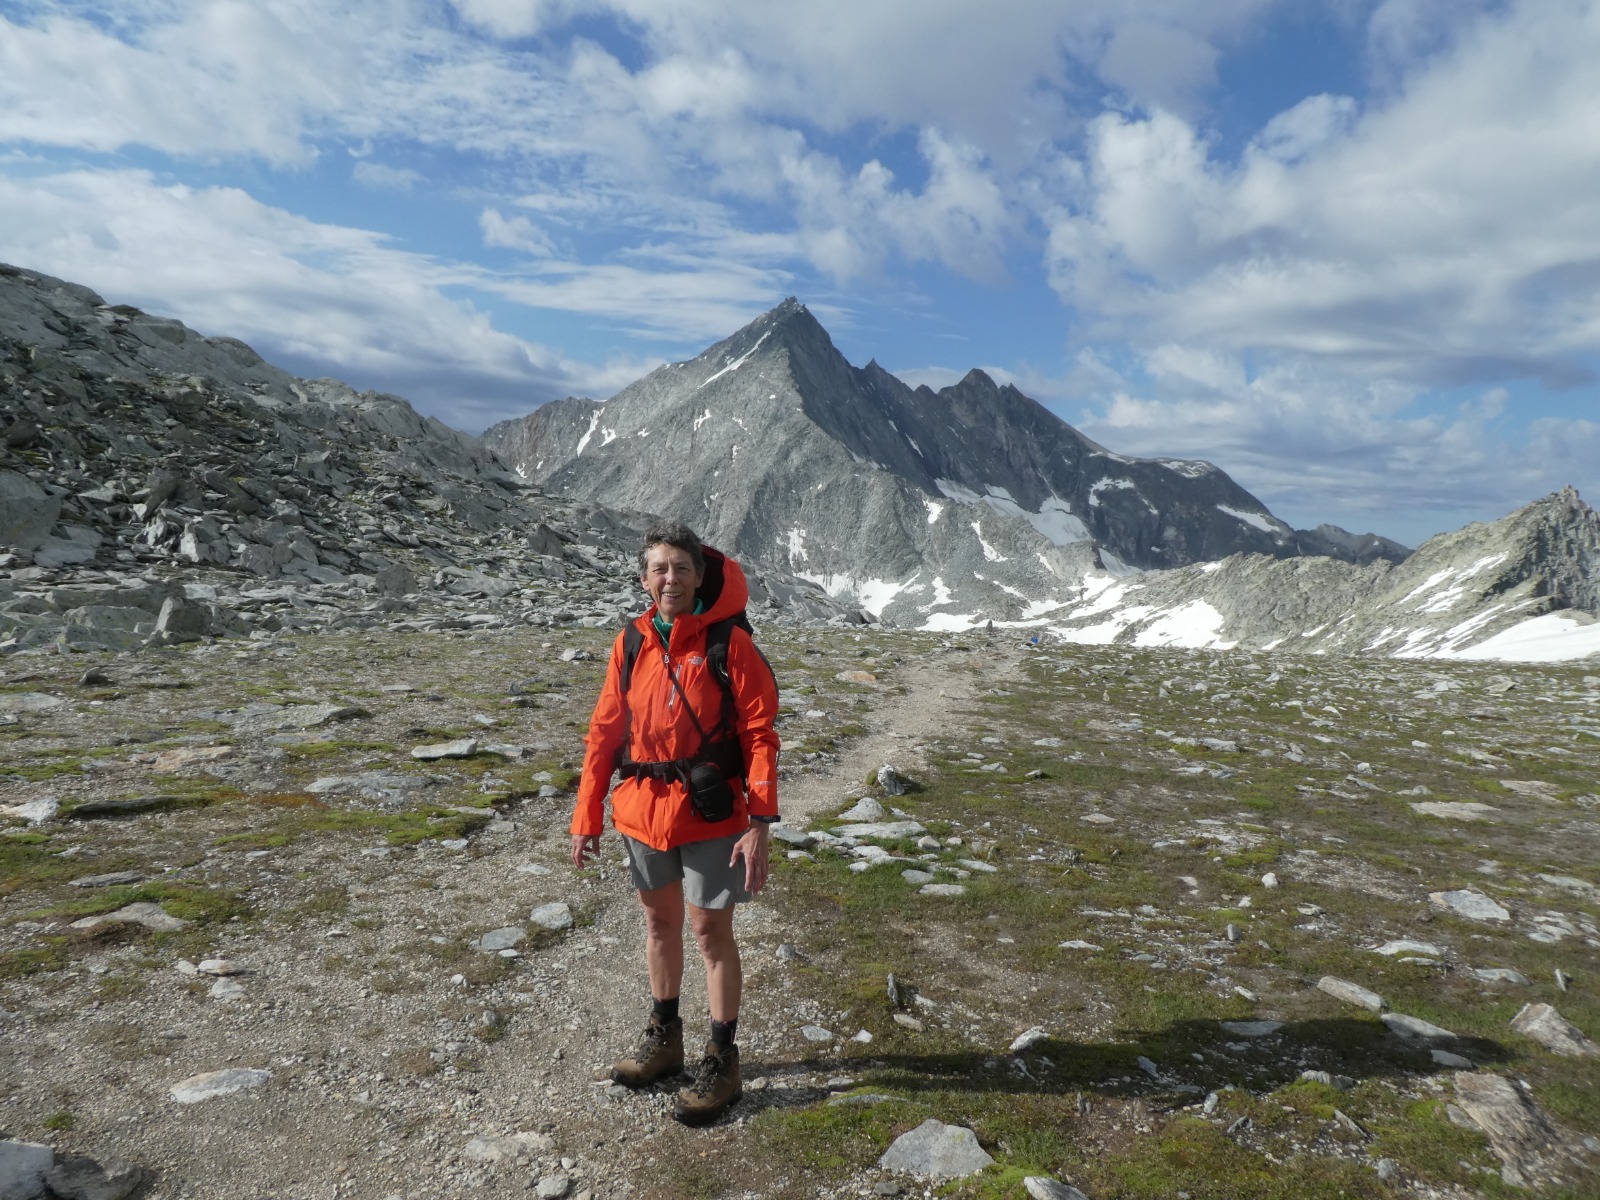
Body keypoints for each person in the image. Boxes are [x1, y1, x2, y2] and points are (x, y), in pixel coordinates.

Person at [569, 521, 779, 1126]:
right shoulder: (630, 642)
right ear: (645, 579)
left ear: (699, 576)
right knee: (659, 926)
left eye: (681, 568)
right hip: (641, 812)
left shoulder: (728, 643)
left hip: (712, 814)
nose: (670, 579)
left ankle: (722, 1057)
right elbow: (605, 731)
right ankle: (665, 1039)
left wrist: (760, 820)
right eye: (660, 569)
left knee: (711, 934)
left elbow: (761, 734)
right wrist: (587, 815)